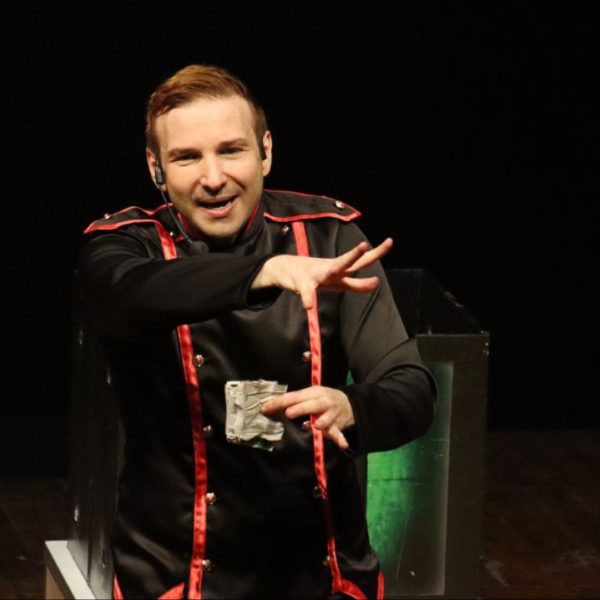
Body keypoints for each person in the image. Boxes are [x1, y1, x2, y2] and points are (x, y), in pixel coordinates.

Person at [77, 64, 436, 600]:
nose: (213, 177)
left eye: (232, 151)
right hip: (176, 576)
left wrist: (353, 406)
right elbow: (131, 294)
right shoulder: (127, 246)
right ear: (156, 168)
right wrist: (263, 274)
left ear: (265, 151)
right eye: (187, 157)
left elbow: (411, 389)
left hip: (324, 575)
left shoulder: (330, 238)